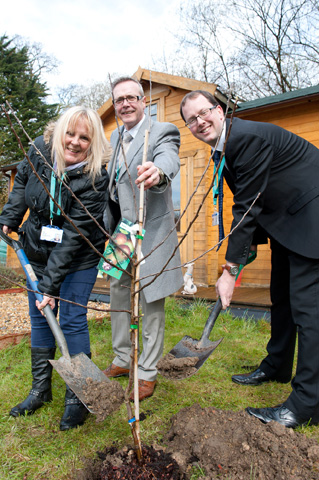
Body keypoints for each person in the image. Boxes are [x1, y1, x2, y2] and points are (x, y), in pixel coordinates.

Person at [180, 90, 319, 428]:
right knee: (282, 299)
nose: (200, 122)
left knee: (308, 310)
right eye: (191, 120)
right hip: (288, 220)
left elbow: (247, 204)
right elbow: (249, 198)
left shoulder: (246, 138)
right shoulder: (224, 147)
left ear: (220, 110)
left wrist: (229, 270)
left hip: (311, 218)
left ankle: (306, 404)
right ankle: (276, 366)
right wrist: (246, 252)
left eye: (205, 112)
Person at [0, 106, 111, 430]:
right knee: (39, 317)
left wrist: (50, 287)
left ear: (93, 143)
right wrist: (9, 217)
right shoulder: (38, 150)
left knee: (72, 319)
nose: (75, 142)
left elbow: (74, 237)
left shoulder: (95, 178)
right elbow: (21, 181)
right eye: (70, 134)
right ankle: (40, 390)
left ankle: (78, 397)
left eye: (84, 138)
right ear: (59, 131)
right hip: (36, 249)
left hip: (78, 257)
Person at [103, 76, 183, 401]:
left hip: (152, 229)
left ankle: (147, 371)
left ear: (142, 100)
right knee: (118, 294)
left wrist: (158, 171)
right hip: (123, 231)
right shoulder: (114, 135)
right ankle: (123, 358)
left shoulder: (160, 131)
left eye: (131, 98)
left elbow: (168, 158)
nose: (125, 104)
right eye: (119, 99)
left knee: (152, 301)